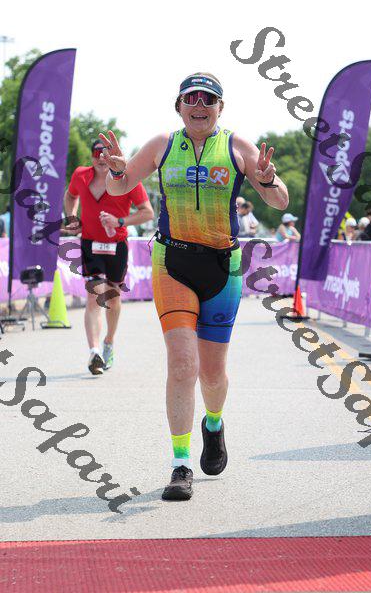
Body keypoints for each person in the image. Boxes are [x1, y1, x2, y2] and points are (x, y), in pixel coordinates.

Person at [99, 72, 288, 501]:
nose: (199, 106)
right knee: (183, 364)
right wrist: (115, 172)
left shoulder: (238, 147)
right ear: (179, 106)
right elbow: (120, 186)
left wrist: (268, 179)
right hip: (173, 262)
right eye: (191, 98)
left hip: (223, 266)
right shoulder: (162, 145)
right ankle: (180, 464)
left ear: (221, 107)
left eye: (208, 99)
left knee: (213, 373)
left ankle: (214, 424)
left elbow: (280, 201)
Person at [63, 139, 154, 375]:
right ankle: (94, 352)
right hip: (90, 243)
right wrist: (72, 217)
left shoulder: (128, 178)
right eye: (97, 153)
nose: (102, 158)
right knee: (94, 294)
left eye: (106, 153)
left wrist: (120, 221)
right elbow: (70, 196)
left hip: (117, 245)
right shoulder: (81, 175)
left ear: (114, 155)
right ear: (91, 156)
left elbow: (147, 213)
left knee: (112, 298)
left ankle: (108, 341)